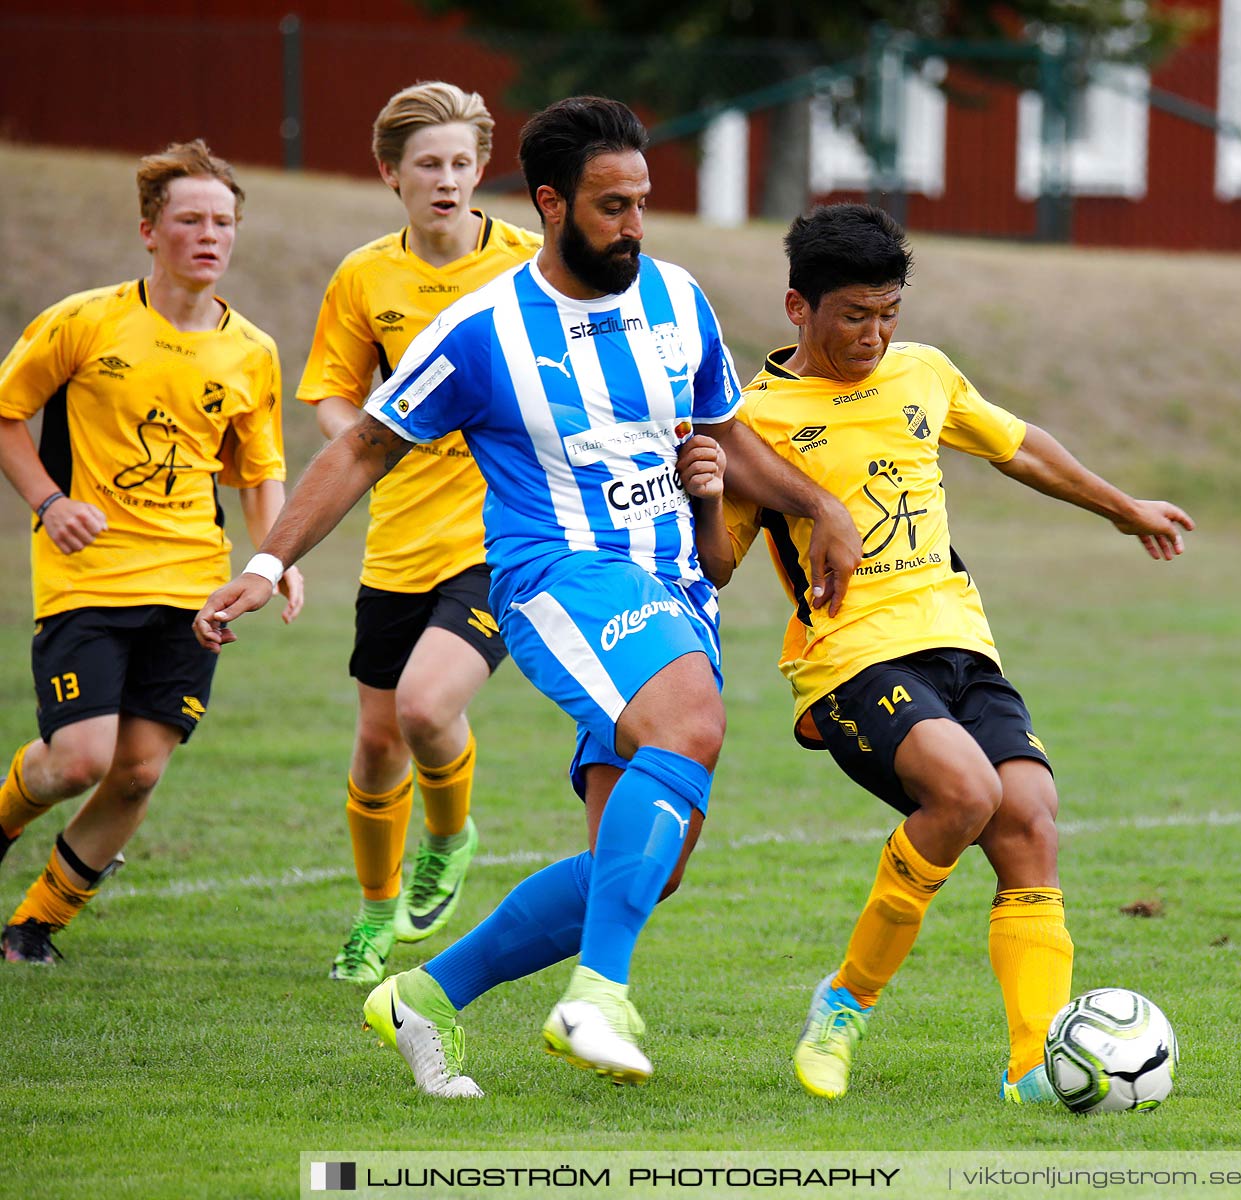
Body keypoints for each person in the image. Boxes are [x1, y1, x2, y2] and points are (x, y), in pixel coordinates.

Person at [194, 96, 860, 1097]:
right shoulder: (482, 332)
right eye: (610, 206)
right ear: (551, 204)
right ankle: (599, 994)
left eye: (641, 202)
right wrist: (267, 560)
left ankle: (422, 999)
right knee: (691, 725)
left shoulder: (678, 298)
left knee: (647, 866)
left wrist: (822, 507)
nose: (634, 225)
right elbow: (365, 445)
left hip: (673, 591)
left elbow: (732, 433)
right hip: (558, 575)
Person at [708, 203, 1193, 1102]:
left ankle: (1033, 1072)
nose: (875, 334)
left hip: (961, 641)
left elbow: (1018, 448)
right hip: (850, 660)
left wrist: (1124, 507)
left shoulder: (923, 373)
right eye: (855, 314)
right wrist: (703, 493)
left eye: (889, 312)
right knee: (966, 792)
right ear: (797, 307)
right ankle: (844, 1003)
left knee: (1030, 822)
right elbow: (720, 563)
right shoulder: (752, 420)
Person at [0, 140, 302, 964]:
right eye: (190, 219)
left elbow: (260, 474)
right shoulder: (85, 319)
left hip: (191, 587)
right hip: (88, 578)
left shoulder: (253, 351)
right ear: (149, 230)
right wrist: (50, 502)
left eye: (224, 221)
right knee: (78, 759)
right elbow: (7, 414)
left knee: (135, 772)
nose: (210, 235)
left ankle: (33, 928)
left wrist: (276, 558)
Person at [299, 82, 542, 982]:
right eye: (427, 165)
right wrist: (365, 441)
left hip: (501, 535)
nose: (448, 180)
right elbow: (331, 390)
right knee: (374, 745)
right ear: (389, 174)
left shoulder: (528, 266)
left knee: (428, 707)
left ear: (484, 168)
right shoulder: (366, 277)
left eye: (462, 164)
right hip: (396, 537)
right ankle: (373, 914)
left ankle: (449, 836)